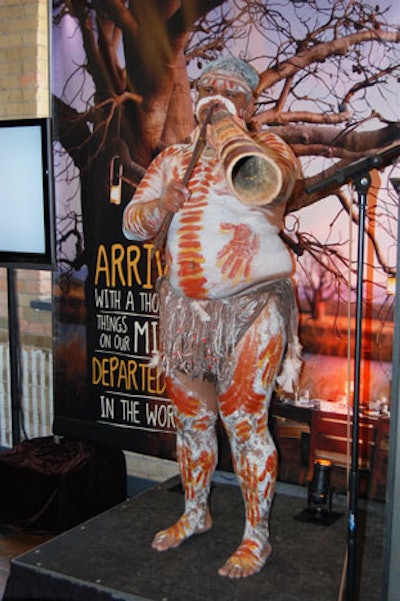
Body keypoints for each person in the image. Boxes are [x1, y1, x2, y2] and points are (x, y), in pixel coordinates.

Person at [122, 56, 301, 579]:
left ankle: (256, 536)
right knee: (192, 420)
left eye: (230, 91)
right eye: (208, 88)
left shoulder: (269, 150)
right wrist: (161, 206)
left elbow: (282, 187)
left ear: (248, 105)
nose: (217, 96)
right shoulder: (172, 159)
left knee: (244, 422)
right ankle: (195, 513)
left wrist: (233, 143)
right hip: (185, 311)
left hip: (253, 305)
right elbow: (134, 223)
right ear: (196, 96)